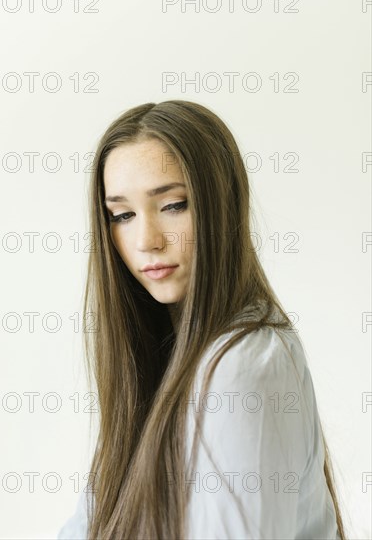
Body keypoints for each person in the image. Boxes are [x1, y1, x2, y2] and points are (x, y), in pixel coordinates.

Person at [57, 100, 346, 539]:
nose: (146, 240)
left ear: (221, 206)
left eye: (173, 205)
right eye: (122, 215)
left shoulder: (245, 365)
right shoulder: (161, 359)